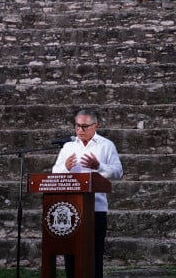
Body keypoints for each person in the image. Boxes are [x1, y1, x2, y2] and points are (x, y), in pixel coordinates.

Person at [52, 108, 123, 278]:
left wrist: (98, 166)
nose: (79, 130)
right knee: (71, 255)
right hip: (70, 209)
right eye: (77, 126)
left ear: (95, 125)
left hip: (95, 209)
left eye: (84, 126)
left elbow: (118, 172)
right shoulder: (68, 146)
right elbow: (55, 173)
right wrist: (65, 168)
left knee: (93, 256)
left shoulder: (106, 145)